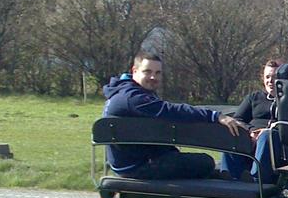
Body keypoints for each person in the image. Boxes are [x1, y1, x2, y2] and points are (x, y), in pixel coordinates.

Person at [102, 52, 245, 180]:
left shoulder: (126, 91)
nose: (153, 77)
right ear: (134, 71)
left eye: (158, 73)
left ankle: (222, 178)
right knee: (205, 162)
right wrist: (215, 116)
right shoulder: (133, 98)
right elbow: (170, 110)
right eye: (147, 72)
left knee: (204, 165)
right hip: (137, 166)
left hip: (135, 159)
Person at [221, 59, 280, 180]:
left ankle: (256, 179)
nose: (270, 81)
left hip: (272, 141)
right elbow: (238, 118)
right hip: (249, 137)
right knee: (231, 129)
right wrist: (251, 131)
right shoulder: (254, 97)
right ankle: (228, 177)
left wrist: (266, 131)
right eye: (267, 77)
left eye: (274, 77)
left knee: (266, 136)